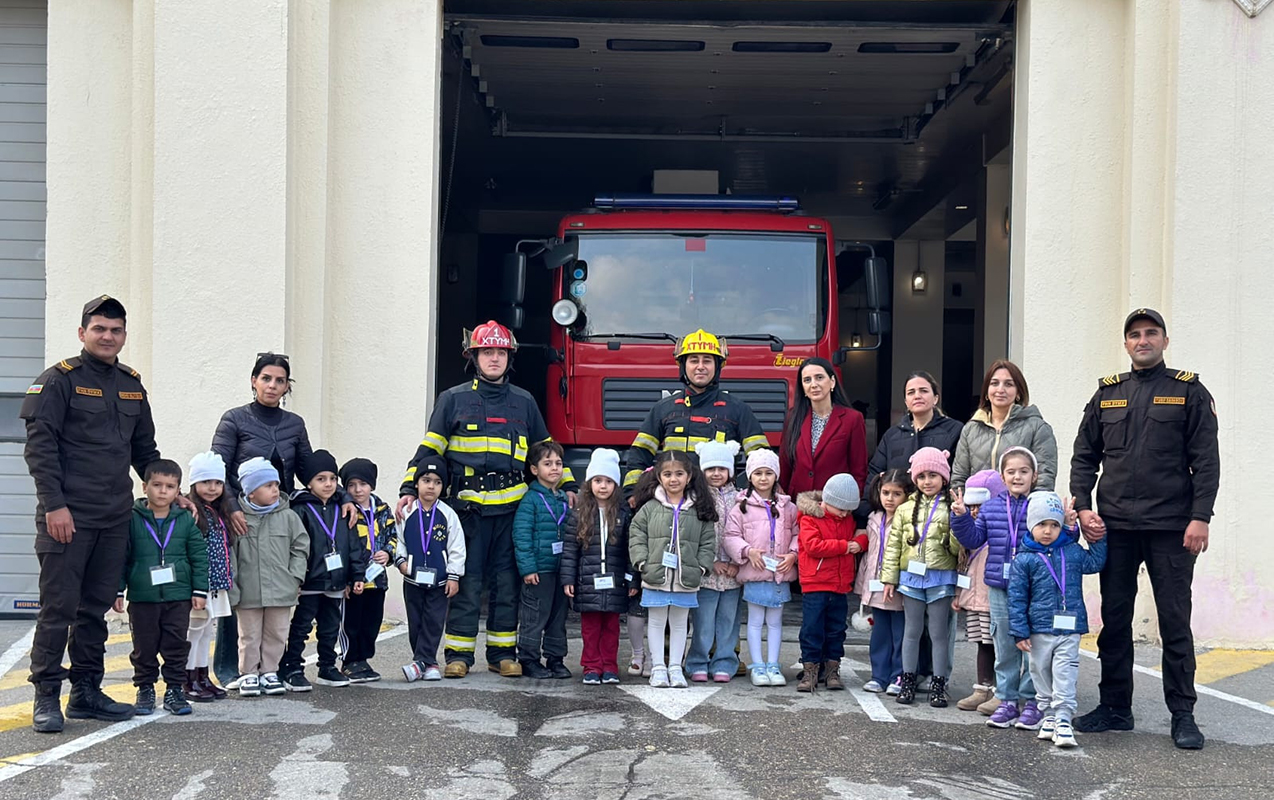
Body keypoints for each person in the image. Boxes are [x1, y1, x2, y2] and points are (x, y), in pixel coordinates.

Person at [1070, 308, 1219, 750]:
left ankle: (1183, 714)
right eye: (1134, 335)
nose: (1142, 340)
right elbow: (1084, 457)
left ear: (1165, 341)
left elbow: (1206, 461)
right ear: (1126, 343)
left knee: (1175, 621)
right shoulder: (1107, 394)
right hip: (1114, 526)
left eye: (1150, 333)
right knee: (1114, 621)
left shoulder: (1188, 391)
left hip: (1172, 527)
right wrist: (1082, 509)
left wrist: (1200, 518)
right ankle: (1115, 707)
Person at [21, 294, 171, 732]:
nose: (108, 336)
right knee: (58, 609)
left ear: (124, 335)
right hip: (67, 517)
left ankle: (85, 692)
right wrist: (55, 506)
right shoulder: (58, 381)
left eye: (116, 330)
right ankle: (46, 694)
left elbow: (144, 451)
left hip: (113, 517)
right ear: (82, 333)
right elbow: (40, 449)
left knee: (95, 609)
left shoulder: (131, 384)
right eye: (100, 329)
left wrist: (166, 490)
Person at [395, 321, 575, 679]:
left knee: (508, 583)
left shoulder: (524, 401)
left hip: (513, 508)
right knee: (466, 581)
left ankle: (502, 653)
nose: (494, 358)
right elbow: (430, 449)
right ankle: (459, 655)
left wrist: (567, 483)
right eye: (487, 352)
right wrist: (408, 488)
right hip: (467, 510)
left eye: (501, 352)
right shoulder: (453, 399)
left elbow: (546, 448)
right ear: (473, 357)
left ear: (510, 358)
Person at [209, 352, 357, 688]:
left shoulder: (294, 424)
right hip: (239, 515)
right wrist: (231, 508)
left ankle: (274, 669)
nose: (273, 386)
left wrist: (343, 497)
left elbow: (309, 470)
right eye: (266, 379)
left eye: (280, 380)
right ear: (253, 381)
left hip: (279, 515)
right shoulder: (234, 419)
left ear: (287, 386)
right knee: (241, 594)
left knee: (273, 604)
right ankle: (234, 670)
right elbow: (219, 468)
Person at [951, 446, 1042, 728]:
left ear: (1034, 476)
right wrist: (961, 516)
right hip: (1000, 587)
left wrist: (1071, 526)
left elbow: (1056, 537)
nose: (1017, 476)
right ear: (1003, 477)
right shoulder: (991, 507)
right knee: (1004, 645)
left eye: (1023, 471)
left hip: (1032, 587)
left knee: (1031, 646)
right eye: (1011, 471)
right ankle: (1007, 700)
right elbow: (974, 538)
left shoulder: (1039, 505)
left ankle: (1031, 700)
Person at [1009, 491, 1106, 749]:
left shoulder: (1072, 552)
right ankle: (1048, 713)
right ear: (1031, 525)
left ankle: (1063, 716)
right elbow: (1016, 597)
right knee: (1039, 671)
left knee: (1065, 671)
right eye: (1042, 525)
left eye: (1054, 525)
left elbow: (1096, 562)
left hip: (1069, 627)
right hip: (1038, 629)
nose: (1048, 531)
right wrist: (1020, 631)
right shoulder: (1024, 559)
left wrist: (1097, 535)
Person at [113, 459, 208, 717]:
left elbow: (199, 557)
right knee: (144, 646)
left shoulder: (186, 520)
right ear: (145, 487)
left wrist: (200, 591)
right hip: (143, 597)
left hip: (178, 597)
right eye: (157, 485)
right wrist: (118, 590)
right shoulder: (132, 519)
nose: (163, 491)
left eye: (170, 486)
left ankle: (175, 689)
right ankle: (145, 688)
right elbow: (122, 557)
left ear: (178, 491)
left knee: (176, 645)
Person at [622, 329, 768, 491]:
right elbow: (639, 455)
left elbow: (762, 460)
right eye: (693, 360)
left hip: (718, 506)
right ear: (683, 366)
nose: (700, 367)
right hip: (672, 503)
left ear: (717, 366)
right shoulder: (664, 409)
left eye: (707, 361)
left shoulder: (738, 410)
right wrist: (632, 493)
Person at [628, 449, 718, 689]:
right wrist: (642, 563)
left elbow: (709, 541)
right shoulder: (649, 508)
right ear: (659, 477)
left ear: (689, 476)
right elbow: (636, 534)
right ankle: (658, 667)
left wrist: (700, 567)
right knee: (656, 622)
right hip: (655, 576)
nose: (673, 479)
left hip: (686, 577)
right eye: (667, 474)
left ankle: (676, 668)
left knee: (680, 623)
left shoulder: (698, 509)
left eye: (679, 473)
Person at [281, 450, 367, 692]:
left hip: (337, 581)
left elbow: (354, 545)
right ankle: (293, 668)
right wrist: (295, 578)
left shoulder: (344, 508)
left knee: (330, 626)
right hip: (310, 581)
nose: (328, 484)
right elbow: (294, 547)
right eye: (321, 479)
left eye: (332, 478)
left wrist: (356, 576)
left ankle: (327, 666)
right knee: (301, 626)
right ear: (308, 482)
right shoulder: (300, 509)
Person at [881, 448, 960, 708]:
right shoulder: (904, 509)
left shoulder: (951, 506)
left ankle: (939, 684)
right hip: (911, 580)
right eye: (922, 476)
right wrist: (890, 579)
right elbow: (893, 546)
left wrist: (959, 523)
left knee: (938, 633)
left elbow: (959, 550)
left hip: (941, 578)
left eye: (933, 475)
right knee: (911, 632)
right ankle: (908, 680)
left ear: (944, 478)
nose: (927, 481)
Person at [228, 457, 309, 698]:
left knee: (276, 632)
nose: (275, 490)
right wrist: (233, 585)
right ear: (251, 493)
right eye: (268, 486)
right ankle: (249, 672)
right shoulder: (239, 519)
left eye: (276, 484)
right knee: (249, 634)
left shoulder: (288, 517)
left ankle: (270, 671)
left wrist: (294, 577)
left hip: (281, 589)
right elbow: (230, 554)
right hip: (248, 589)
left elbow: (300, 547)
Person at [724, 449, 799, 688]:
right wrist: (747, 551)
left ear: (776, 476)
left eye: (768, 473)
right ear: (750, 476)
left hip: (779, 574)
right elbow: (730, 536)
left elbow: (798, 533)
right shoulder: (741, 507)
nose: (763, 478)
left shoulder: (788, 507)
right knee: (755, 621)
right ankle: (757, 665)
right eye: (758, 473)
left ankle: (773, 664)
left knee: (776, 622)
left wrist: (793, 554)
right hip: (756, 574)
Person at [561, 449, 635, 685]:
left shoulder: (624, 514)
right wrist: (568, 579)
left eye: (608, 481)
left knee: (612, 628)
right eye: (598, 481)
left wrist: (632, 578)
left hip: (615, 582)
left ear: (616, 484)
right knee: (590, 629)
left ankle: (610, 666)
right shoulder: (580, 513)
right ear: (589, 482)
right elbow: (570, 550)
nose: (603, 486)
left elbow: (630, 549)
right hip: (587, 582)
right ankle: (591, 666)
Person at [794, 473, 864, 693]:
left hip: (840, 584)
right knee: (812, 629)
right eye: (841, 509)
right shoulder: (809, 518)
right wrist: (845, 546)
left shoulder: (847, 519)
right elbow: (813, 546)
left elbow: (862, 536)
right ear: (827, 501)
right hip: (815, 583)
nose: (845, 514)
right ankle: (810, 670)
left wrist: (859, 544)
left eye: (848, 510)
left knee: (836, 629)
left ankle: (832, 668)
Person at [397, 461, 465, 682]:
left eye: (437, 483)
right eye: (426, 481)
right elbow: (398, 540)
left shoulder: (448, 514)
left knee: (434, 621)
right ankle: (427, 662)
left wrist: (453, 576)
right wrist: (401, 562)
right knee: (416, 622)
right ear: (416, 484)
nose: (431, 487)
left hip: (439, 581)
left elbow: (456, 547)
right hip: (413, 579)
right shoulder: (406, 512)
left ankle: (422, 663)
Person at [513, 441, 572, 680]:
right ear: (535, 469)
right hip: (539, 570)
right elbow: (522, 534)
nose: (555, 468)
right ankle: (529, 659)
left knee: (558, 617)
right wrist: (528, 568)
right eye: (548, 464)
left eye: (558, 463)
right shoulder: (531, 500)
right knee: (534, 616)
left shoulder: (564, 499)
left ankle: (556, 659)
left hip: (561, 569)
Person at [685, 440, 743, 683]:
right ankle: (697, 661)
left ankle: (725, 662)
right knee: (703, 622)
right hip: (706, 575)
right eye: (711, 469)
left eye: (721, 468)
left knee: (729, 621)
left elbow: (747, 533)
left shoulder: (742, 499)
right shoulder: (695, 498)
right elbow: (691, 536)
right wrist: (710, 562)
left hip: (733, 574)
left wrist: (737, 563)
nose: (716, 473)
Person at [952, 360, 1058, 490]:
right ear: (986, 392)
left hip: (1020, 509)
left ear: (1018, 393)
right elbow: (959, 478)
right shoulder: (970, 430)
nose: (1000, 389)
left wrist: (1026, 508)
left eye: (1008, 384)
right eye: (994, 383)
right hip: (979, 509)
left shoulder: (1037, 427)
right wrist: (966, 507)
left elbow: (1044, 478)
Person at [339, 457, 398, 683]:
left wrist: (388, 553)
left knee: (372, 621)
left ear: (371, 485)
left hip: (377, 579)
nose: (357, 490)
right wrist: (345, 578)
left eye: (362, 484)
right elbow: (342, 545)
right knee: (350, 622)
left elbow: (393, 536)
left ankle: (363, 659)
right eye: (351, 485)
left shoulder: (382, 509)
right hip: (354, 580)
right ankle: (349, 660)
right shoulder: (345, 511)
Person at [951, 469, 1006, 713]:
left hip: (994, 601)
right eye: (971, 506)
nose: (975, 512)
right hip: (974, 602)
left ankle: (1001, 692)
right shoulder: (971, 537)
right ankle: (981, 689)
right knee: (982, 644)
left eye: (980, 506)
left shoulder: (998, 535)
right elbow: (963, 569)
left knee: (999, 646)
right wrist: (958, 595)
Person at [183, 451, 236, 702]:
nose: (212, 488)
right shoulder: (191, 512)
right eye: (206, 482)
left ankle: (203, 676)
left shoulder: (219, 511)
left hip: (217, 584)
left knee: (206, 632)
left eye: (217, 482)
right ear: (194, 484)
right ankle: (188, 678)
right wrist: (197, 587)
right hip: (200, 586)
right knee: (193, 632)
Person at [856, 469, 912, 694]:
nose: (890, 498)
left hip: (897, 586)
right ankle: (878, 676)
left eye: (897, 494)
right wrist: (862, 583)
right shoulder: (873, 518)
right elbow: (868, 554)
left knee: (900, 633)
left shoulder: (907, 518)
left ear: (907, 495)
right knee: (879, 633)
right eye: (886, 492)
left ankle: (898, 675)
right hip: (875, 583)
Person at [779, 357, 868, 498]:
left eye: (819, 377)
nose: (813, 384)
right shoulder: (793, 417)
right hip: (799, 504)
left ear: (832, 382)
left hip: (836, 507)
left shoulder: (852, 419)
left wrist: (851, 503)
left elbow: (859, 470)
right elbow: (785, 465)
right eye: (807, 380)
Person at [866, 371, 963, 478]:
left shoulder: (954, 430)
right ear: (906, 402)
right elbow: (874, 473)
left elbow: (960, 474)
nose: (917, 396)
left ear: (936, 398)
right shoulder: (892, 435)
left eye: (924, 391)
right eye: (911, 392)